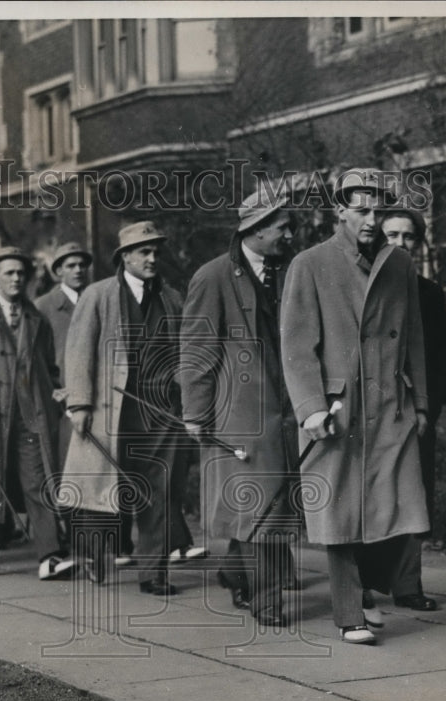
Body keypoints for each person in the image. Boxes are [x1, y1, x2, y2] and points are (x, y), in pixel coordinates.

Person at [280, 168, 430, 645]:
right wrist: (310, 407)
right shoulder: (311, 264)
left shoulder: (399, 264)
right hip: (336, 408)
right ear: (338, 211)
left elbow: (416, 342)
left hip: (388, 404)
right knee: (341, 513)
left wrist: (421, 403)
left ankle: (367, 590)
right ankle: (350, 614)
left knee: (397, 507)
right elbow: (297, 345)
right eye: (361, 210)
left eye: (378, 210)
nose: (371, 220)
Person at [180, 188, 301, 626]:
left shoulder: (292, 271)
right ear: (255, 229)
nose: (290, 234)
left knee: (267, 507)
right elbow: (196, 350)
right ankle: (267, 602)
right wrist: (195, 412)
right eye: (282, 227)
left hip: (289, 406)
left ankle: (235, 571)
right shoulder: (213, 277)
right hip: (241, 414)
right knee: (262, 508)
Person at [62, 221, 194, 596]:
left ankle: (154, 572)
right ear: (125, 258)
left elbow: (184, 353)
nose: (152, 259)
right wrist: (80, 403)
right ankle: (94, 553)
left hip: (163, 412)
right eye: (144, 252)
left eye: (156, 252)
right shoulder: (99, 294)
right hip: (112, 411)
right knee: (103, 488)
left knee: (161, 490)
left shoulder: (171, 297)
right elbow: (79, 350)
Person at [0, 246, 75, 579]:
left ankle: (50, 556)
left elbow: (49, 368)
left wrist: (55, 390)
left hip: (31, 415)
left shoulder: (38, 318)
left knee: (38, 482)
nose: (16, 278)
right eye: (8, 272)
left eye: (21, 273)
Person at [361, 206, 446, 612]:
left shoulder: (428, 292)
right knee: (372, 496)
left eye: (409, 236)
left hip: (415, 411)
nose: (401, 243)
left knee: (415, 496)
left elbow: (439, 356)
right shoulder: (365, 286)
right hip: (372, 411)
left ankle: (407, 583)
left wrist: (428, 408)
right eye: (392, 235)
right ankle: (362, 582)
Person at [35, 242, 92, 470]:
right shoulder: (44, 307)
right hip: (62, 401)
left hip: (94, 396)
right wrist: (54, 392)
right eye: (71, 265)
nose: (78, 270)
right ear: (58, 271)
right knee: (68, 467)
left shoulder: (95, 298)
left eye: (82, 265)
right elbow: (39, 359)